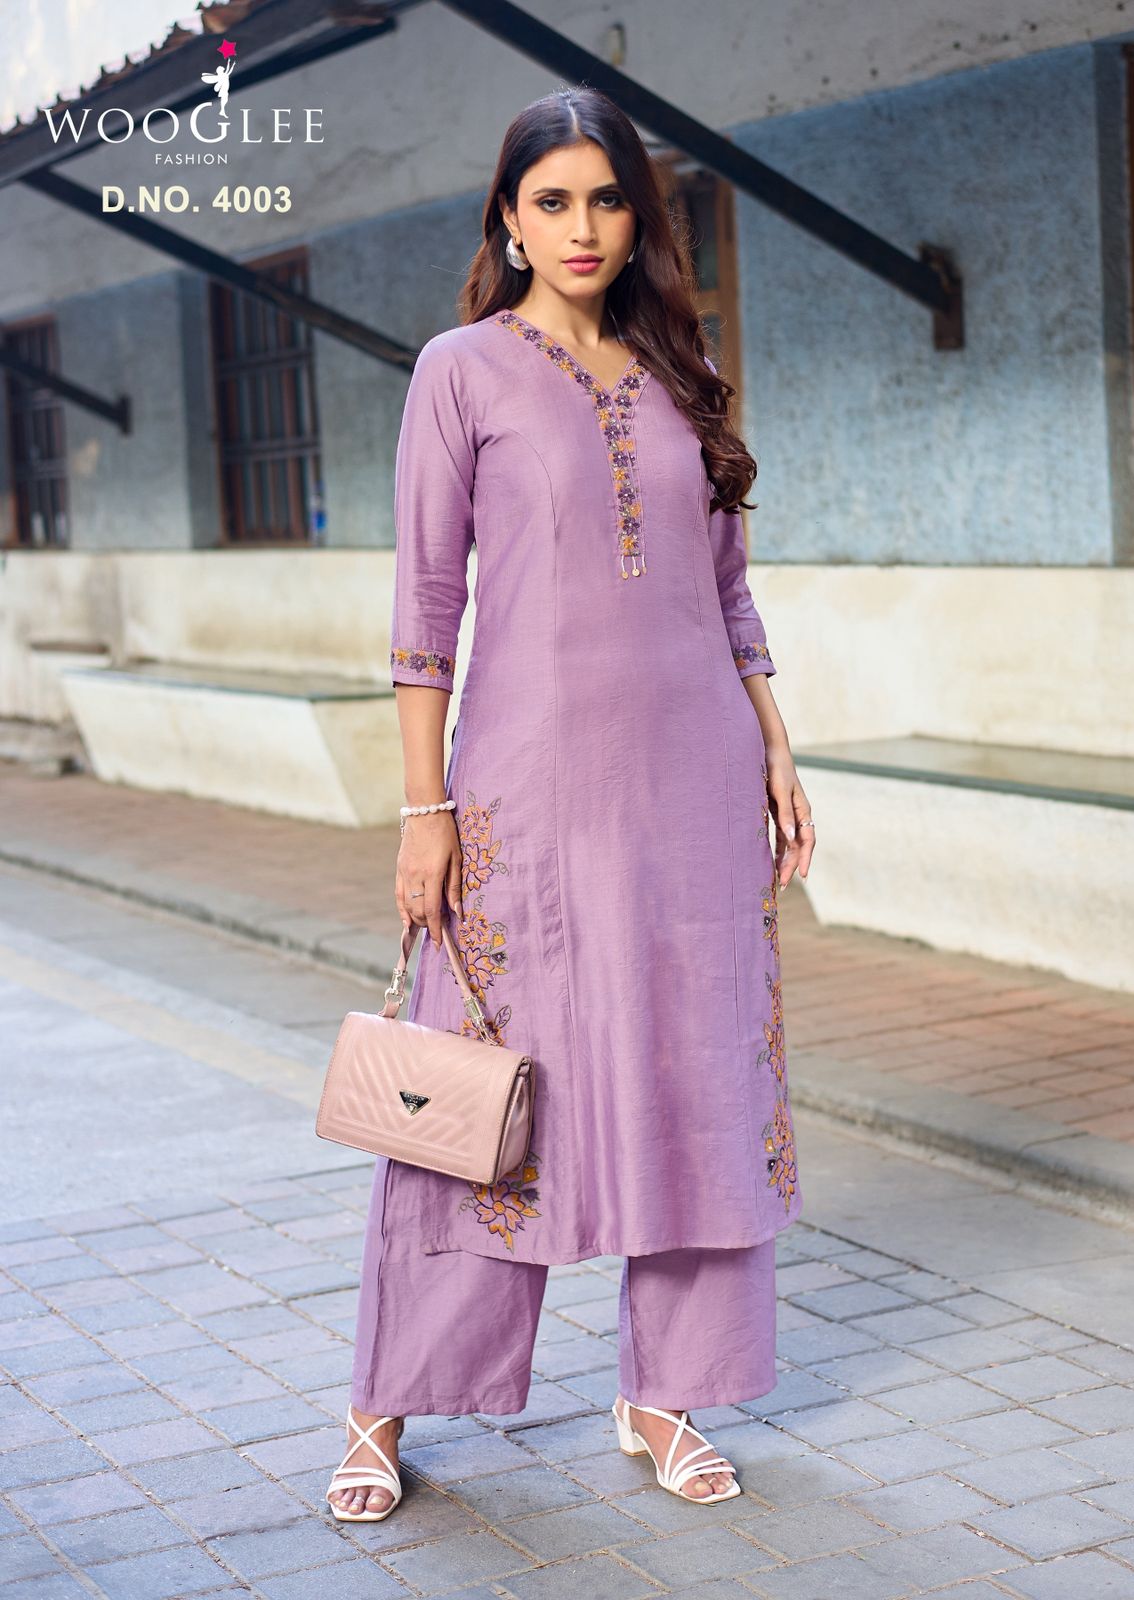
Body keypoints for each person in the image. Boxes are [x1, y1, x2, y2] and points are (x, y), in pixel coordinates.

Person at [326, 85, 815, 1522]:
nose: (583, 227)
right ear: (509, 218)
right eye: (553, 201)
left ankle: (664, 1394)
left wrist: (777, 748)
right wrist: (423, 813)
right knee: (480, 1098)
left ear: (638, 217)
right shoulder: (461, 370)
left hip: (695, 789)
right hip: (523, 802)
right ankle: (384, 1400)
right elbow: (426, 603)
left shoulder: (683, 367)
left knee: (699, 1070)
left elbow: (728, 595)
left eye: (608, 199)